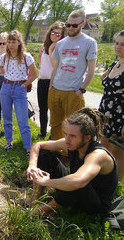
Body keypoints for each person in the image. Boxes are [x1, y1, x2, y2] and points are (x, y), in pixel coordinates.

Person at [26, 108, 118, 217]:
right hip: (77, 188)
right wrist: (32, 166)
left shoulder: (97, 155)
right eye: (66, 134)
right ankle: (34, 200)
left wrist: (45, 181)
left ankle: (41, 212)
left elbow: (78, 182)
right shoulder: (71, 143)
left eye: (72, 136)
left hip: (95, 206)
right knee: (44, 153)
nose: (67, 140)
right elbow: (39, 145)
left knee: (75, 182)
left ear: (87, 138)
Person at [49, 9, 98, 140]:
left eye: (74, 25)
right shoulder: (60, 43)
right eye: (68, 24)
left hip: (74, 91)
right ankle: (55, 152)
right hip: (56, 89)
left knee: (75, 128)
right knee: (55, 124)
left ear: (83, 24)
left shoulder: (89, 43)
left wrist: (81, 89)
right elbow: (56, 68)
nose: (70, 28)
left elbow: (91, 70)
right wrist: (50, 87)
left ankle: (72, 155)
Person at [0, 30, 37, 156]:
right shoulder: (4, 57)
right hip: (5, 87)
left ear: (19, 43)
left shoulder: (27, 57)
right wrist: (7, 76)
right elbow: (1, 68)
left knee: (22, 119)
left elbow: (34, 74)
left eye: (13, 42)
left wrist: (25, 84)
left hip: (19, 89)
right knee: (7, 117)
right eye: (8, 42)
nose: (11, 45)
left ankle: (28, 147)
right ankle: (9, 142)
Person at [99, 30, 124, 181]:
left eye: (123, 44)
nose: (118, 47)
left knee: (118, 153)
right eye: (117, 43)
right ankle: (104, 180)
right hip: (105, 112)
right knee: (104, 148)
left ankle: (117, 185)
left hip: (120, 115)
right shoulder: (116, 63)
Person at [37, 21, 66, 138]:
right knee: (42, 109)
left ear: (63, 36)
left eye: (58, 34)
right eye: (53, 32)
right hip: (42, 81)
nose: (54, 35)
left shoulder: (61, 48)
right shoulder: (44, 46)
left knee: (54, 110)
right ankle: (42, 132)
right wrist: (42, 67)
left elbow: (55, 66)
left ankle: (54, 135)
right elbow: (39, 57)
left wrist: (51, 50)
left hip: (53, 82)